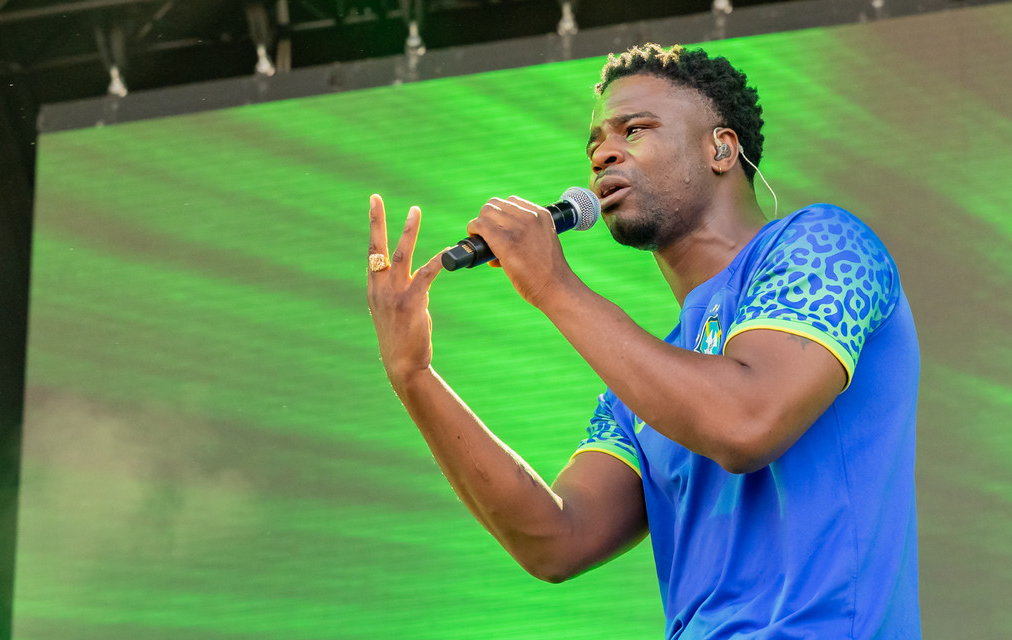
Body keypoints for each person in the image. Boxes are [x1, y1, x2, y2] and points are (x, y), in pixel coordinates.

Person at [366, 43, 921, 639]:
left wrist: (552, 285)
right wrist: (414, 375)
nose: (603, 153)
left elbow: (746, 422)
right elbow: (556, 540)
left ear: (721, 148)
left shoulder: (827, 243)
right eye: (596, 144)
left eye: (635, 130)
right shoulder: (642, 387)